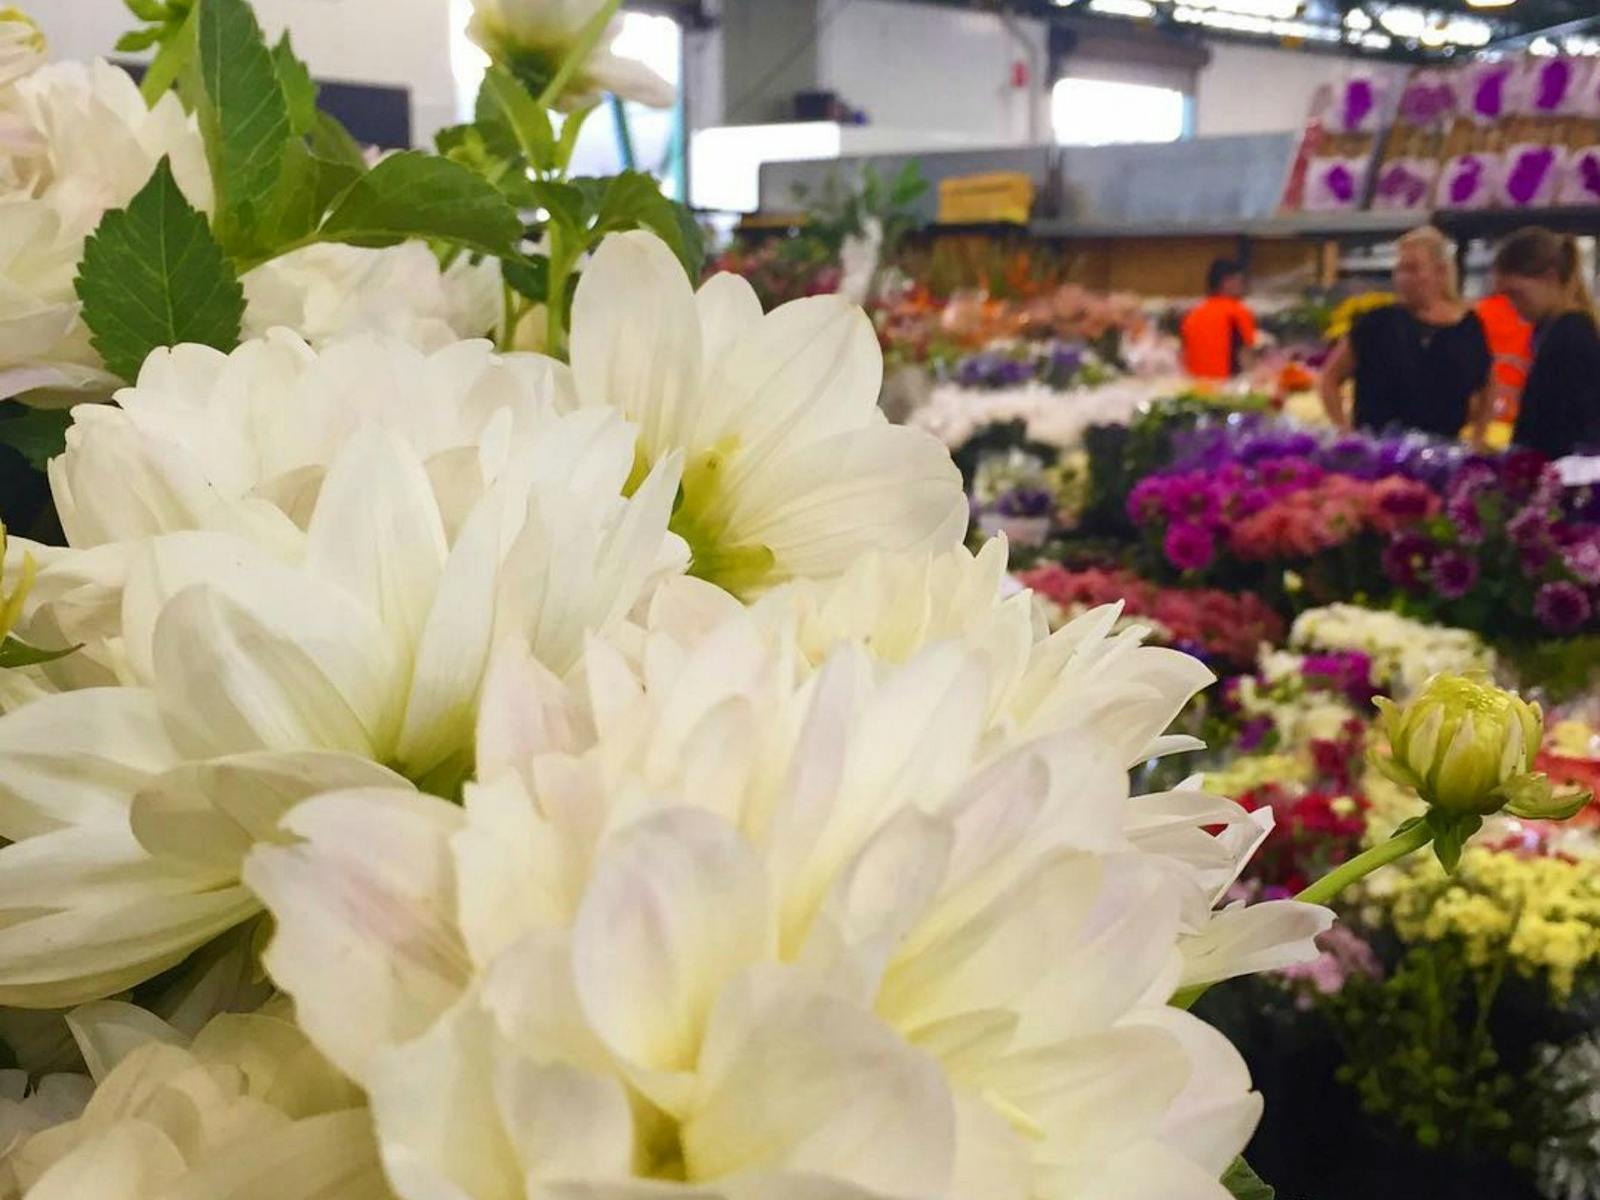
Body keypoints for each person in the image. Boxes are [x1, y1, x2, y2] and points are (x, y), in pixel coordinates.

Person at [1319, 226, 1491, 440]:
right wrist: (1344, 430)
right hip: (1378, 450)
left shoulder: (1469, 327)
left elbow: (1487, 387)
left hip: (1441, 451)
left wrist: (1478, 438)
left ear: (1440, 272)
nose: (1403, 278)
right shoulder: (1376, 322)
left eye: (1412, 269)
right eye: (1400, 269)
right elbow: (1330, 378)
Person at [1491, 227, 1600, 461]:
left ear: (1550, 278)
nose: (1512, 306)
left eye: (1516, 294)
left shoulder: (1571, 334)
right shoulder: (1551, 330)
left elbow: (1562, 425)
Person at [1182, 259, 1257, 380]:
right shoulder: (1237, 311)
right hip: (1228, 384)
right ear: (1227, 282)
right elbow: (1245, 354)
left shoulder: (1193, 314)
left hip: (1196, 384)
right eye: (1240, 282)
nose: (1243, 287)